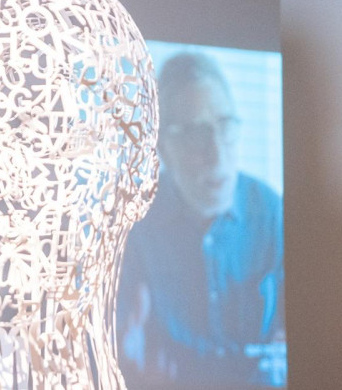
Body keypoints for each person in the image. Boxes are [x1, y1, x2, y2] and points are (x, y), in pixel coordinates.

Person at [118, 51, 285, 388]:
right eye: (196, 133)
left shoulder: (270, 211)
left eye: (225, 126)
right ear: (163, 148)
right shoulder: (136, 221)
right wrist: (127, 359)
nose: (218, 153)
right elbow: (125, 344)